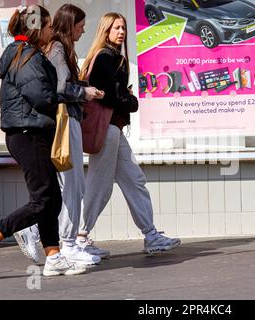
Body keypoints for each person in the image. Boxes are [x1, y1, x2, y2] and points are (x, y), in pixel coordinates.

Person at [0, 5, 85, 277]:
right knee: (44, 200)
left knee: (51, 198)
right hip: (27, 134)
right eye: (46, 26)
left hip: (30, 133)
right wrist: (70, 96)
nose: (50, 30)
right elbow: (42, 97)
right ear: (36, 28)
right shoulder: (28, 57)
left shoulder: (24, 54)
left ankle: (54, 256)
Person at [77, 12, 181, 255]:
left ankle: (151, 235)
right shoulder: (105, 57)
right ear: (105, 31)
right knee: (99, 186)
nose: (121, 32)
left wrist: (125, 98)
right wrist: (131, 100)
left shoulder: (115, 58)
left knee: (135, 180)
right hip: (107, 129)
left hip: (114, 130)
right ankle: (79, 237)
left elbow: (115, 94)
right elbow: (112, 97)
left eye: (123, 27)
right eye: (116, 28)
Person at [13, 4, 104, 266]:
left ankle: (64, 240)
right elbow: (61, 88)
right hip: (65, 121)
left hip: (65, 120)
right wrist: (84, 93)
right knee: (72, 184)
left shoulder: (57, 49)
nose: (83, 30)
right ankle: (66, 243)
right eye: (80, 25)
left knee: (71, 185)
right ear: (69, 24)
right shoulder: (58, 49)